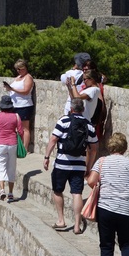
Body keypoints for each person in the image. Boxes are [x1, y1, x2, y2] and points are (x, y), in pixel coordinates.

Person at [43, 97, 98, 235]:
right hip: (79, 166)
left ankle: (61, 220)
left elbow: (53, 139)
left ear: (71, 109)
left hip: (62, 164)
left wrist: (46, 157)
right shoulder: (89, 125)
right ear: (83, 109)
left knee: (57, 190)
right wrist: (88, 166)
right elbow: (94, 148)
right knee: (77, 193)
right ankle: (77, 225)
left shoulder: (63, 121)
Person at [0, 95, 22, 201]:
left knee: (0, 167)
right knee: (11, 167)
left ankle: (2, 189)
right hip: (12, 144)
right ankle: (11, 193)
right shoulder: (16, 116)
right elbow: (21, 132)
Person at [3, 58, 34, 150]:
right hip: (15, 105)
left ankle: (25, 148)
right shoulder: (17, 78)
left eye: (20, 69)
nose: (18, 71)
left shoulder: (28, 77)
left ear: (25, 68)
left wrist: (12, 89)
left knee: (25, 128)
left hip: (24, 105)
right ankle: (18, 146)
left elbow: (26, 91)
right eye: (17, 69)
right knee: (16, 127)